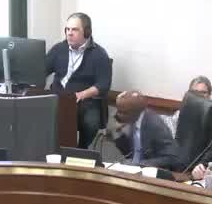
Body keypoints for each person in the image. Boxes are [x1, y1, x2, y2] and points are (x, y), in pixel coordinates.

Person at [44, 12, 112, 148]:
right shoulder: (58, 49)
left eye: (74, 29)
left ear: (87, 32)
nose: (69, 33)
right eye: (67, 29)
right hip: (58, 97)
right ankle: (54, 151)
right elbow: (42, 69)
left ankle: (81, 150)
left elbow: (103, 84)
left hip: (85, 101)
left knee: (91, 123)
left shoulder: (99, 54)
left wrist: (82, 94)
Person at [111, 91, 182, 170]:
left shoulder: (155, 125)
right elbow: (130, 154)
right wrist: (118, 135)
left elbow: (172, 158)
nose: (117, 115)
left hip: (151, 172)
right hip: (134, 170)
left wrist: (140, 164)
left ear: (135, 112)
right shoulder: (134, 120)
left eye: (122, 112)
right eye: (118, 111)